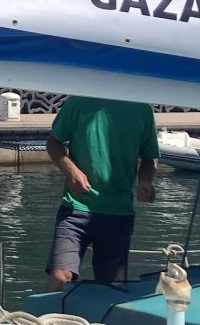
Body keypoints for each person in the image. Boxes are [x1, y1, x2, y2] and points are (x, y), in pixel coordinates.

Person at [44, 97, 159, 289]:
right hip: (76, 208)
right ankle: (41, 319)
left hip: (119, 213)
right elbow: (53, 143)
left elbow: (150, 157)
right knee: (59, 278)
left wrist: (145, 181)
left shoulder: (143, 108)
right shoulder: (78, 102)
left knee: (111, 290)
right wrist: (72, 171)